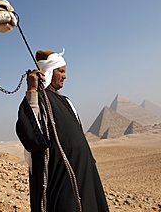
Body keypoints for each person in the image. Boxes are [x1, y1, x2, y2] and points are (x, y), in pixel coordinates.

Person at [16, 50, 109, 212]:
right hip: (59, 175)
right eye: (61, 71)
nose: (65, 76)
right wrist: (32, 89)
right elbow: (32, 135)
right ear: (49, 72)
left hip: (84, 171)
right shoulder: (37, 98)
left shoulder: (66, 101)